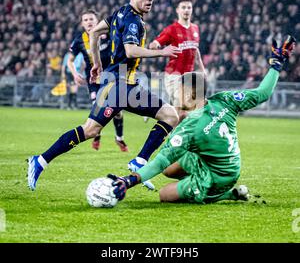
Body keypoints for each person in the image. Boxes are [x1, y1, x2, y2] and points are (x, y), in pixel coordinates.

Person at [27, 0, 181, 192]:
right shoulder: (133, 21)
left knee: (170, 115)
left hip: (126, 84)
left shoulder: (120, 12)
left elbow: (96, 32)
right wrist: (162, 52)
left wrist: (97, 63)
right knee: (90, 130)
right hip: (117, 85)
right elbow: (129, 50)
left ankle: (139, 162)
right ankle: (40, 161)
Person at [108, 35, 296, 204]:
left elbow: (159, 162)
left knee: (164, 195)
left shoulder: (191, 127)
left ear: (190, 93)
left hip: (218, 176)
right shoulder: (224, 100)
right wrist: (276, 65)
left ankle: (226, 194)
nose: (176, 95)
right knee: (169, 171)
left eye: (179, 91)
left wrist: (129, 180)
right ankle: (198, 183)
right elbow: (262, 93)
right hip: (230, 163)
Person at [68, 9, 129, 151]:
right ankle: (96, 134)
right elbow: (70, 61)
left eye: (92, 19)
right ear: (82, 24)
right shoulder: (79, 40)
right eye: (86, 20)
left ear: (97, 21)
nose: (89, 22)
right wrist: (75, 74)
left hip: (112, 77)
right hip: (94, 80)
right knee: (97, 107)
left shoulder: (108, 35)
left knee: (118, 112)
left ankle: (119, 138)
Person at [149, 0, 205, 121]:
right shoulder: (171, 30)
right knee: (182, 109)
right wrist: (159, 48)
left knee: (187, 112)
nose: (186, 10)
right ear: (177, 10)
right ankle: (162, 113)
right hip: (174, 76)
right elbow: (154, 44)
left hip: (189, 76)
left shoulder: (195, 29)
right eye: (183, 7)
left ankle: (160, 110)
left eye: (189, 7)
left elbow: (196, 51)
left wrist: (202, 70)